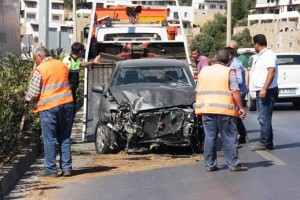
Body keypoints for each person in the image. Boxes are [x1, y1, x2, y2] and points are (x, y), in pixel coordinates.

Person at [25, 46, 74, 177]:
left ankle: (51, 169)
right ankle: (67, 168)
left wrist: (27, 98)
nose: (35, 61)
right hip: (67, 104)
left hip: (49, 107)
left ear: (40, 56)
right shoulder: (62, 65)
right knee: (64, 137)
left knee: (49, 139)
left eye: (35, 58)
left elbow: (34, 93)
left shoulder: (40, 69)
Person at [195, 49, 247, 172]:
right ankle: (234, 164)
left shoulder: (204, 71)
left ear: (215, 58)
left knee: (210, 138)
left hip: (207, 109)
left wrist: (198, 106)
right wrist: (241, 108)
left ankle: (210, 164)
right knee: (229, 138)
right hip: (225, 111)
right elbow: (235, 91)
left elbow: (197, 91)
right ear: (228, 59)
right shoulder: (229, 71)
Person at [250, 34, 278, 151]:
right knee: (265, 117)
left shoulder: (268, 55)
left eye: (253, 44)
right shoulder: (261, 55)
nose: (253, 46)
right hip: (262, 90)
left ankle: (264, 142)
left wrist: (264, 88)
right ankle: (268, 142)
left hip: (266, 91)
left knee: (263, 118)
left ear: (257, 44)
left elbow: (271, 72)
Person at [63, 42, 101, 114]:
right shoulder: (67, 60)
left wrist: (93, 62)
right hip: (67, 91)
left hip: (72, 90)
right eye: (83, 51)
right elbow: (63, 74)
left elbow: (82, 64)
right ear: (80, 51)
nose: (83, 53)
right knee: (69, 110)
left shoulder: (75, 60)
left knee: (73, 109)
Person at [225, 47, 249, 144]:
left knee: (234, 115)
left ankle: (237, 137)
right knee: (236, 116)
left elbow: (238, 80)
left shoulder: (235, 64)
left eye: (227, 55)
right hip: (236, 91)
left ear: (231, 55)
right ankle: (242, 135)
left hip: (239, 92)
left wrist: (227, 79)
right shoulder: (230, 63)